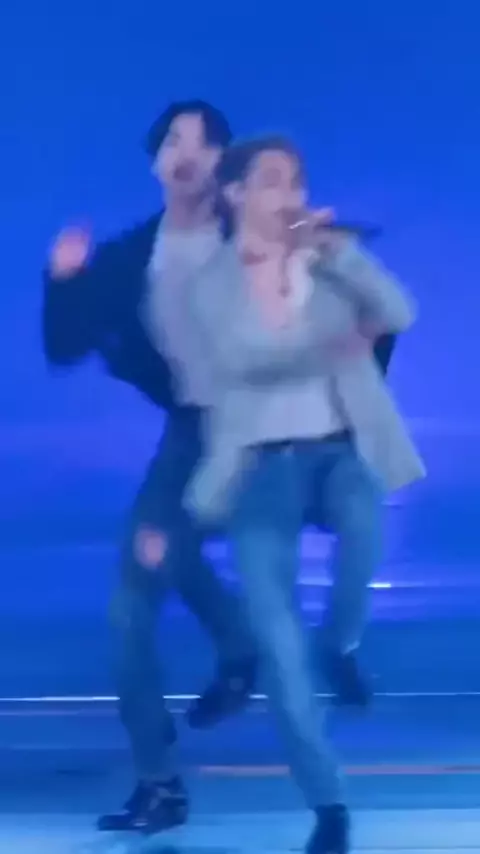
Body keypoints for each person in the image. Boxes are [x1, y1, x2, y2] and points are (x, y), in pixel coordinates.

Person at [181, 136, 425, 854]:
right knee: (280, 648)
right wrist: (331, 347)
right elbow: (240, 360)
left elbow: (399, 312)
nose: (288, 194)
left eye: (296, 180)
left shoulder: (331, 262)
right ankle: (329, 803)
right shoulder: (210, 283)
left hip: (339, 452)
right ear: (235, 194)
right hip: (259, 468)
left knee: (364, 529)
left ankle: (342, 644)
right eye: (271, 180)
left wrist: (340, 256)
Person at [42, 101, 257, 833]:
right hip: (191, 433)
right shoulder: (133, 256)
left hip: (268, 432)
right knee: (133, 600)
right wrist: (64, 280)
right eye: (172, 140)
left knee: (165, 555)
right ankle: (161, 781)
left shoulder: (256, 237)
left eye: (203, 141)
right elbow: (65, 346)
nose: (186, 151)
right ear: (157, 161)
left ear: (223, 160)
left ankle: (241, 653)